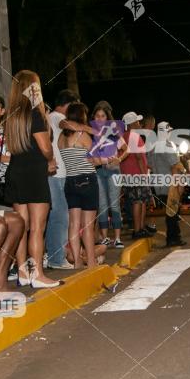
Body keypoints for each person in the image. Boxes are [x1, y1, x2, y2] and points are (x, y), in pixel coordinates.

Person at [3, 70, 61, 288]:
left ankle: (23, 273)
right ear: (32, 88)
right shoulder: (35, 114)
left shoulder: (12, 115)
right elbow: (45, 147)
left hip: (16, 171)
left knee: (21, 226)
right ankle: (37, 274)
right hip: (34, 174)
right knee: (37, 227)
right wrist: (51, 159)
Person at [58, 102, 106, 268]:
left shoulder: (61, 138)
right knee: (87, 225)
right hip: (87, 180)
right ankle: (91, 261)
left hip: (70, 182)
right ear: (81, 116)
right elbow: (97, 160)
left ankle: (77, 261)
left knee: (73, 224)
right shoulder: (83, 136)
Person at [91, 102, 126, 248]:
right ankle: (105, 238)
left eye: (103, 116)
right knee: (102, 205)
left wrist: (119, 159)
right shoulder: (91, 134)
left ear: (107, 118)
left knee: (114, 204)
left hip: (113, 170)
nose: (100, 119)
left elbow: (126, 149)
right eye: (97, 116)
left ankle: (117, 238)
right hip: (98, 171)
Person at [151, 121, 186, 246]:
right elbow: (174, 166)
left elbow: (149, 164)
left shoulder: (153, 146)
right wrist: (179, 184)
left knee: (169, 212)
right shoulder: (167, 145)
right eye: (169, 131)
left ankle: (172, 238)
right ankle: (173, 238)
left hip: (159, 185)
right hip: (170, 184)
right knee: (173, 213)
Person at [120, 111, 151, 239]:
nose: (139, 123)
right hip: (137, 174)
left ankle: (141, 228)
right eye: (137, 121)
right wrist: (144, 175)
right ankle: (138, 229)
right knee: (139, 201)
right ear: (132, 123)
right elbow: (138, 157)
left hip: (128, 174)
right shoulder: (134, 136)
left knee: (140, 201)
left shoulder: (123, 136)